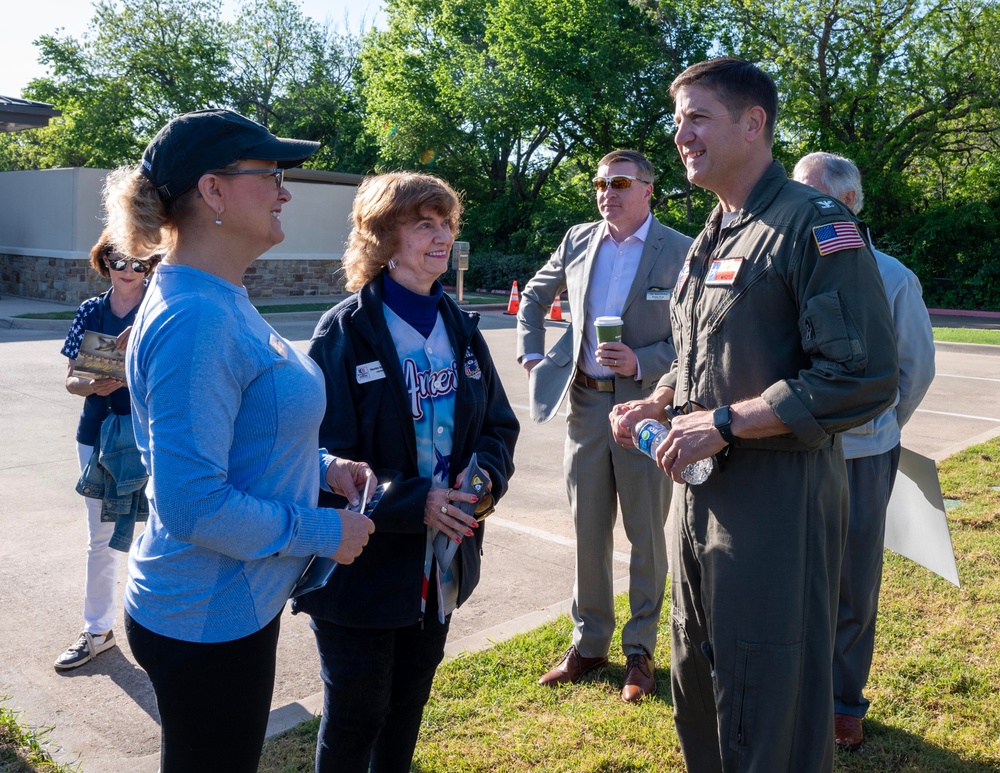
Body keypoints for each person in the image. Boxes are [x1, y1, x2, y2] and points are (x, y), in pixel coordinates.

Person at [609, 58, 899, 772]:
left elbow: (862, 375)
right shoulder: (717, 227)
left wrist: (727, 422)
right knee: (696, 672)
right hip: (702, 497)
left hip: (778, 502)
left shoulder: (814, 225)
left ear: (753, 123)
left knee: (770, 692)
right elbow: (707, 348)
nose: (681, 134)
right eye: (678, 120)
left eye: (697, 117)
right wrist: (664, 396)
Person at [101, 108, 374, 773]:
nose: (285, 191)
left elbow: (245, 434)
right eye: (271, 175)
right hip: (204, 615)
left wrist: (322, 465)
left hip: (228, 603)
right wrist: (323, 530)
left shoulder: (218, 295)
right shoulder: (196, 317)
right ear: (213, 192)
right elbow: (193, 505)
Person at [293, 171, 519, 772]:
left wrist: (483, 482)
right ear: (382, 238)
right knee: (355, 721)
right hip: (361, 574)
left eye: (445, 223)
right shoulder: (344, 332)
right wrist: (410, 499)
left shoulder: (463, 329)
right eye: (423, 224)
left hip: (439, 569)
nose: (441, 236)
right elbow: (313, 454)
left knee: (406, 714)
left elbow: (499, 428)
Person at [517, 149, 692, 702]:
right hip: (586, 407)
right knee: (588, 532)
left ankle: (639, 651)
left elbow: (695, 337)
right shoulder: (578, 238)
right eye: (598, 182)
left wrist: (643, 362)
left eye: (618, 182)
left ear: (647, 189)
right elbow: (535, 297)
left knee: (645, 534)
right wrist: (532, 353)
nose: (606, 192)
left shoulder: (682, 251)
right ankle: (589, 644)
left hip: (645, 408)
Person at [792, 151, 936, 751]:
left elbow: (914, 370)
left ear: (848, 204)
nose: (798, 209)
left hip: (863, 458)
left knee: (853, 582)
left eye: (813, 197)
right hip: (793, 452)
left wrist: (876, 430)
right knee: (794, 577)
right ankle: (795, 691)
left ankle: (843, 702)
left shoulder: (892, 277)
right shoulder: (788, 267)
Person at [55, 231, 159, 671]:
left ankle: (161, 631)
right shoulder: (90, 312)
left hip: (152, 437)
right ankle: (97, 630)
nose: (129, 270)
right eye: (121, 261)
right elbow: (72, 378)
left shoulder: (161, 312)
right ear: (106, 262)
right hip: (97, 434)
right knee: (101, 539)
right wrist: (92, 385)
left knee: (164, 531)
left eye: (140, 263)